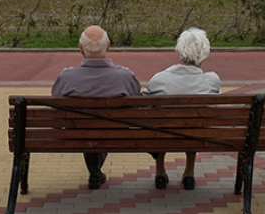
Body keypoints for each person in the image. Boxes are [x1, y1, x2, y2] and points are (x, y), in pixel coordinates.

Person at [51, 25, 141, 189]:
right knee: (102, 125)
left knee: (89, 125)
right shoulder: (126, 77)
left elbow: (55, 106)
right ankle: (95, 172)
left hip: (76, 132)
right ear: (108, 46)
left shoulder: (66, 77)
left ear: (80, 49)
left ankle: (95, 172)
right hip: (116, 133)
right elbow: (137, 105)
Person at [143, 27, 220, 190]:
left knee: (160, 122)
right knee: (195, 124)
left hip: (164, 135)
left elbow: (145, 106)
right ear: (205, 53)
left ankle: (160, 172)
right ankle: (189, 173)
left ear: (178, 49)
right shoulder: (212, 81)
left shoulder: (160, 79)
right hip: (197, 136)